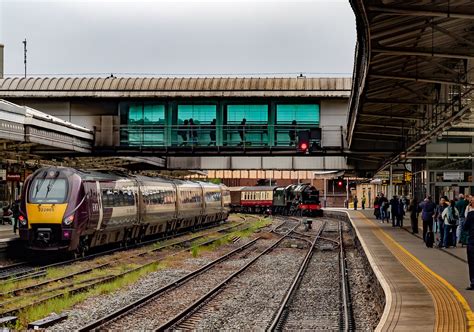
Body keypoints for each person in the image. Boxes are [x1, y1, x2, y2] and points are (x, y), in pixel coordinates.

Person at [463, 206, 474, 290]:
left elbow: (465, 227)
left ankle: (473, 282)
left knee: (472, 263)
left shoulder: (470, 214)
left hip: (472, 241)